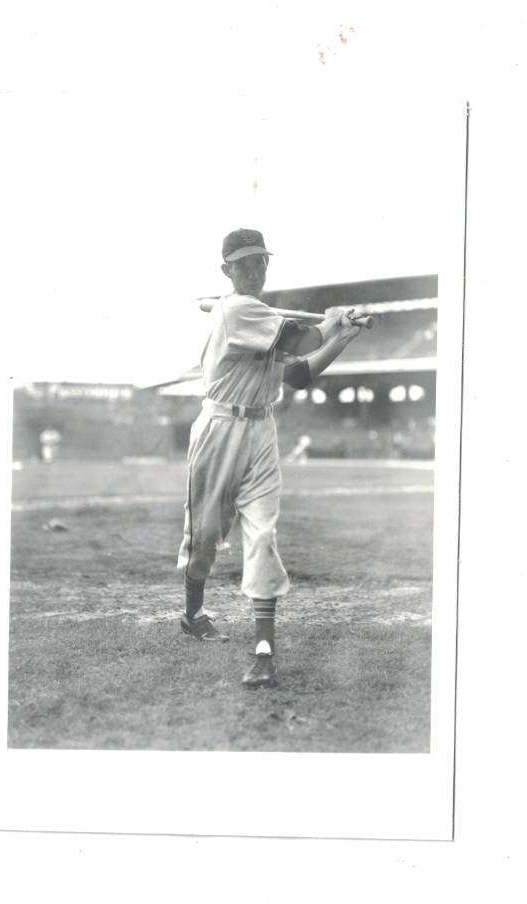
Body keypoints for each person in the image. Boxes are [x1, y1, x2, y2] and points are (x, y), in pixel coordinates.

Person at [177, 228, 362, 687]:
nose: (255, 270)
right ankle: (193, 613)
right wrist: (333, 320)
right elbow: (300, 341)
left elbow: (299, 374)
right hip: (219, 430)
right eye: (244, 264)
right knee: (205, 540)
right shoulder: (238, 309)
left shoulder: (258, 316)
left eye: (261, 262)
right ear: (227, 271)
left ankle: (263, 650)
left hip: (261, 431)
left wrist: (344, 337)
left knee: (262, 535)